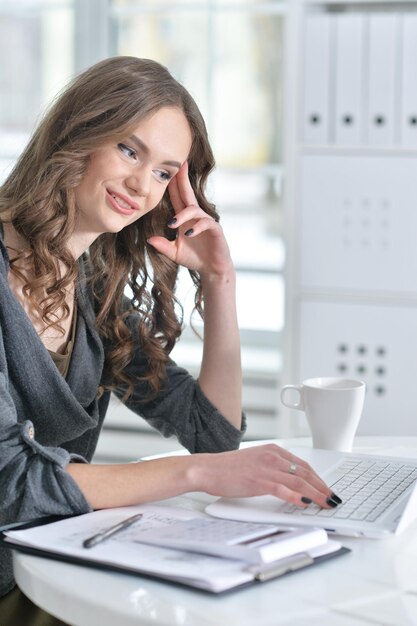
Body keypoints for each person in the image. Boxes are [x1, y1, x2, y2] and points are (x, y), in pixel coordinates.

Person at [0, 56, 340, 623]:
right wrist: (194, 474)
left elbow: (213, 433)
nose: (141, 185)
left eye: (164, 172)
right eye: (130, 151)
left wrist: (219, 280)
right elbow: (11, 485)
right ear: (77, 136)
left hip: (48, 569)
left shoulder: (91, 286)